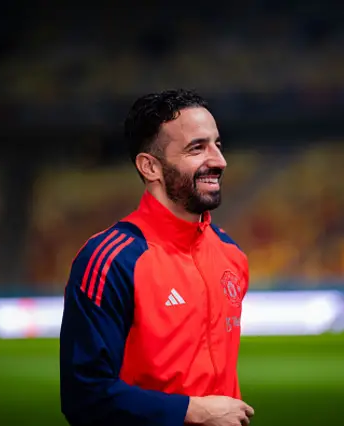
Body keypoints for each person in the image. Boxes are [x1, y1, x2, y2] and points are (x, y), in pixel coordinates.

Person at [59, 89, 255, 426]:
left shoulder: (231, 254)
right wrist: (193, 412)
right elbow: (83, 396)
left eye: (217, 145)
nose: (219, 160)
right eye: (197, 147)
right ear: (150, 166)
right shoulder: (110, 260)